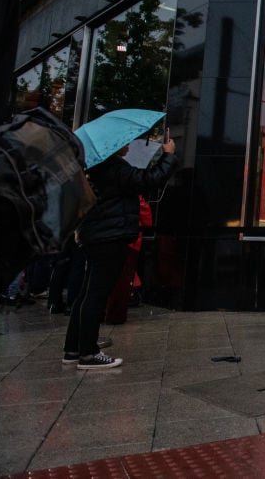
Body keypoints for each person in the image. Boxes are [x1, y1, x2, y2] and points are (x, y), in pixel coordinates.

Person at [64, 134, 178, 370]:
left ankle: (74, 347)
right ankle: (88, 353)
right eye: (124, 142)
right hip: (109, 236)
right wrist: (168, 156)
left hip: (94, 234)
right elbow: (150, 179)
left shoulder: (93, 168)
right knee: (97, 293)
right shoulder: (113, 168)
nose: (128, 146)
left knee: (87, 292)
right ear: (113, 146)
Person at [104, 195, 152, 324]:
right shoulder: (131, 190)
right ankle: (115, 315)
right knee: (123, 279)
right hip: (129, 237)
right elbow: (145, 212)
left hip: (109, 235)